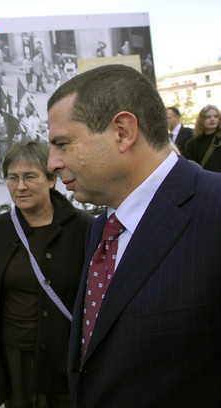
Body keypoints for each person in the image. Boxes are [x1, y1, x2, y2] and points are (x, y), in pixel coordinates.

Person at [47, 64, 221, 407]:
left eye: (63, 144)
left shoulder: (214, 210)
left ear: (123, 132)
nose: (52, 162)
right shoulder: (100, 228)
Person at [0, 140, 92, 407]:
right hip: (13, 359)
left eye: (29, 177)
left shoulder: (84, 229)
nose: (20, 186)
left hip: (66, 359)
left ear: (51, 180)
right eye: (12, 178)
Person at [183, 104, 221, 171]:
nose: (212, 119)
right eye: (208, 117)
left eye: (216, 116)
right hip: (204, 179)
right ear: (201, 120)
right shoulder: (192, 144)